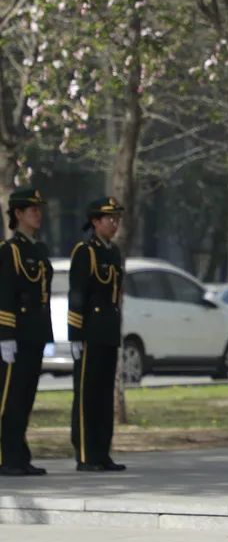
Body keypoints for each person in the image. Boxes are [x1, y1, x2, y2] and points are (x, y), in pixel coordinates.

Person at [68, 197, 126, 472]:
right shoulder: (85, 252)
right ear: (95, 222)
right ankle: (85, 454)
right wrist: (75, 334)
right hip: (90, 332)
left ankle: (102, 452)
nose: (114, 223)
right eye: (109, 219)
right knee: (87, 395)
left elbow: (116, 295)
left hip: (108, 332)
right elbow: (77, 295)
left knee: (104, 396)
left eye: (116, 218)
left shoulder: (113, 252)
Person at [0, 188, 53, 476]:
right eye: (31, 209)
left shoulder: (39, 249)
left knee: (25, 397)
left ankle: (19, 455)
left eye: (39, 208)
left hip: (34, 333)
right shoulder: (9, 250)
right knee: (9, 397)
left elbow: (42, 295)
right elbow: (5, 294)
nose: (37, 214)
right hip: (15, 334)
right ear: (18, 214)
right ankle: (5, 457)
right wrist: (5, 335)